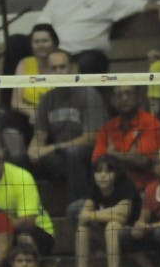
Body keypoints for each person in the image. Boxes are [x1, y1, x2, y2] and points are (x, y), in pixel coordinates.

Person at [35, 0, 156, 74]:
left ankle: (81, 99)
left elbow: (141, 4)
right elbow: (42, 25)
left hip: (90, 55)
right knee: (17, 42)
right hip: (58, 53)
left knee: (86, 63)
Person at [28, 49, 107, 206]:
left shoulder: (88, 94)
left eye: (62, 67)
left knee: (73, 153)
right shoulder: (47, 99)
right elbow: (40, 136)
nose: (59, 72)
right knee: (23, 159)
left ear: (73, 69)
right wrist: (33, 149)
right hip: (62, 157)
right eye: (54, 69)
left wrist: (53, 147)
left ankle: (78, 206)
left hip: (90, 154)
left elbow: (90, 138)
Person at [0, 141, 56, 257]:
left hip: (36, 231)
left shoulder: (22, 177)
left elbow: (28, 221)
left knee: (23, 238)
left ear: (2, 161)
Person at [75, 154, 140, 267]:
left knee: (112, 226)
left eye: (108, 171)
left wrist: (93, 215)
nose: (102, 176)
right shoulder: (94, 187)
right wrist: (111, 213)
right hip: (106, 232)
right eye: (98, 172)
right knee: (82, 229)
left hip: (133, 232)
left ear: (116, 174)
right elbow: (82, 217)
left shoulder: (125, 185)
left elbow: (122, 216)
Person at [1, 23, 59, 162]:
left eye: (45, 41)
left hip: (54, 115)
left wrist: (41, 116)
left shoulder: (61, 64)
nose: (40, 45)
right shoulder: (24, 64)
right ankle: (20, 165)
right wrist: (33, 113)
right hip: (30, 114)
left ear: (54, 43)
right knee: (10, 121)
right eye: (36, 41)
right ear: (31, 45)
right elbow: (15, 102)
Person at [92, 86, 160, 191]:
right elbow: (97, 162)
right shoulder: (106, 128)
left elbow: (143, 162)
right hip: (113, 191)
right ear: (112, 101)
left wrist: (112, 155)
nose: (124, 98)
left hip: (145, 191)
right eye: (119, 95)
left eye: (129, 93)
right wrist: (129, 158)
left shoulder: (152, 124)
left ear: (139, 98)